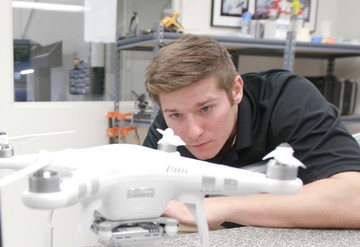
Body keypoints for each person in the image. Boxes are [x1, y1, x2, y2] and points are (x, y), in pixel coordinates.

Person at [143, 34, 360, 229]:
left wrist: (223, 207)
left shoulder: (287, 99)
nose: (193, 132)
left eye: (206, 108)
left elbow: (354, 198)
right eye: (176, 115)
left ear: (236, 90)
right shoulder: (169, 123)